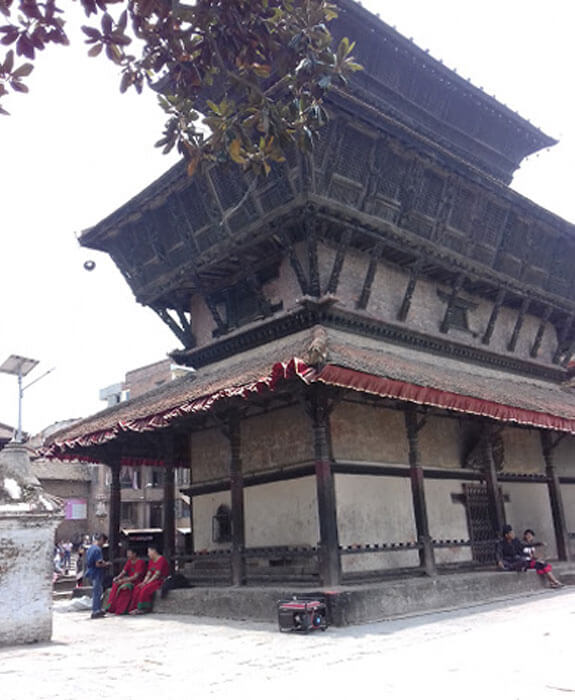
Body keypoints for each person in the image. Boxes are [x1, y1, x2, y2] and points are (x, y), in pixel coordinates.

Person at [128, 545, 170, 615]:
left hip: (160, 580)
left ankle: (143, 608)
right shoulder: (151, 561)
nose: (148, 554)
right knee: (138, 587)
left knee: (145, 589)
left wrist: (147, 583)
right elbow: (149, 573)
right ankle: (134, 607)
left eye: (149, 551)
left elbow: (157, 575)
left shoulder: (161, 560)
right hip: (152, 580)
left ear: (154, 551)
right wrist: (144, 582)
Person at [104, 548, 147, 615]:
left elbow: (135, 577)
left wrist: (123, 580)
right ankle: (111, 607)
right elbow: (123, 572)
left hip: (136, 582)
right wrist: (117, 578)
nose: (127, 555)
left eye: (129, 553)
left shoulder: (140, 562)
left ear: (134, 554)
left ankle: (121, 610)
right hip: (128, 580)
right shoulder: (129, 561)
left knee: (125, 588)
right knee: (115, 584)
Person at [85, 534, 111, 619]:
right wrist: (106, 564)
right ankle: (96, 610)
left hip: (91, 572)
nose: (103, 544)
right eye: (103, 542)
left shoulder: (90, 548)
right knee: (97, 592)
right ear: (101, 540)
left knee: (96, 592)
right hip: (96, 573)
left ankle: (97, 609)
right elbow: (98, 563)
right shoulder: (97, 550)